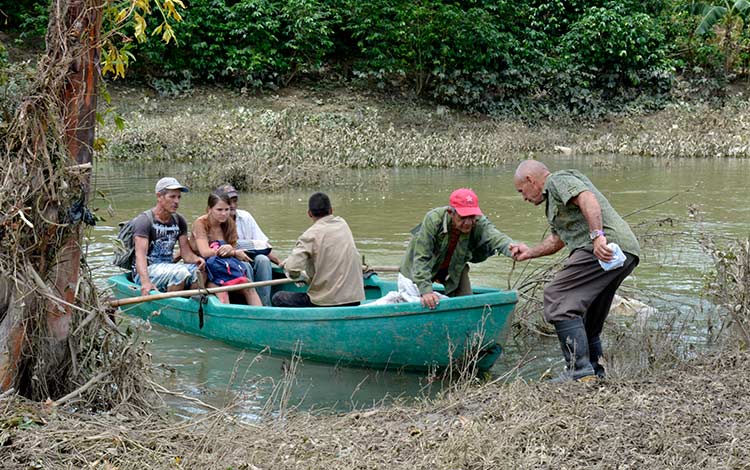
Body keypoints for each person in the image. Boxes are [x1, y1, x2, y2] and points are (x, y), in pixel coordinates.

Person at [510, 160, 640, 381]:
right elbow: (556, 241)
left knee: (557, 295)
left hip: (603, 249)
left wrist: (597, 236)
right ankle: (595, 371)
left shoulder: (558, 180)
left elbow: (586, 198)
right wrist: (529, 252)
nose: (524, 198)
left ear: (531, 180)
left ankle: (578, 371)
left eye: (522, 191)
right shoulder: (553, 202)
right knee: (589, 311)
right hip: (625, 252)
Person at [399, 188, 516, 309]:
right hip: (417, 269)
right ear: (451, 213)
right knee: (419, 304)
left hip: (453, 267)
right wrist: (426, 291)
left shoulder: (479, 221)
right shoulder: (433, 220)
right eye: (463, 217)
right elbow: (421, 258)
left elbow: (495, 236)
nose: (468, 223)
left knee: (467, 305)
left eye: (472, 217)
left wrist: (512, 248)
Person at [272, 192, 364, 308]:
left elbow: (292, 268)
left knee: (278, 297)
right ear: (331, 210)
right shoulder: (343, 224)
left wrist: (301, 276)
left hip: (326, 303)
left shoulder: (309, 236)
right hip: (354, 299)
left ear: (309, 213)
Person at [133, 177, 206, 296]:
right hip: (146, 271)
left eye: (178, 197)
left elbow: (186, 253)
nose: (176, 201)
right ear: (159, 196)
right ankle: (172, 307)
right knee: (180, 273)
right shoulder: (145, 220)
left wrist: (196, 260)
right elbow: (140, 255)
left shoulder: (179, 220)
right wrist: (145, 282)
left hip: (168, 268)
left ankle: (192, 305)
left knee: (201, 271)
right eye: (172, 197)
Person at [190, 193, 263, 306]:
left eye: (226, 209)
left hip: (223, 268)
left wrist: (231, 250)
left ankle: (260, 317)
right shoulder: (201, 223)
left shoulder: (229, 224)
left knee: (249, 286)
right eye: (219, 210)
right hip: (206, 272)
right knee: (222, 293)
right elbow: (205, 252)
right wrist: (233, 252)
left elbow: (232, 247)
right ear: (209, 209)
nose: (223, 214)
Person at [214, 184, 280, 306]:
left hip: (248, 257)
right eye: (229, 202)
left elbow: (262, 245)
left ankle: (265, 304)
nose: (232, 205)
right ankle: (250, 305)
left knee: (263, 259)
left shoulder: (245, 217)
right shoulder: (215, 221)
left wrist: (280, 263)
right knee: (245, 265)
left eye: (234, 201)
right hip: (229, 264)